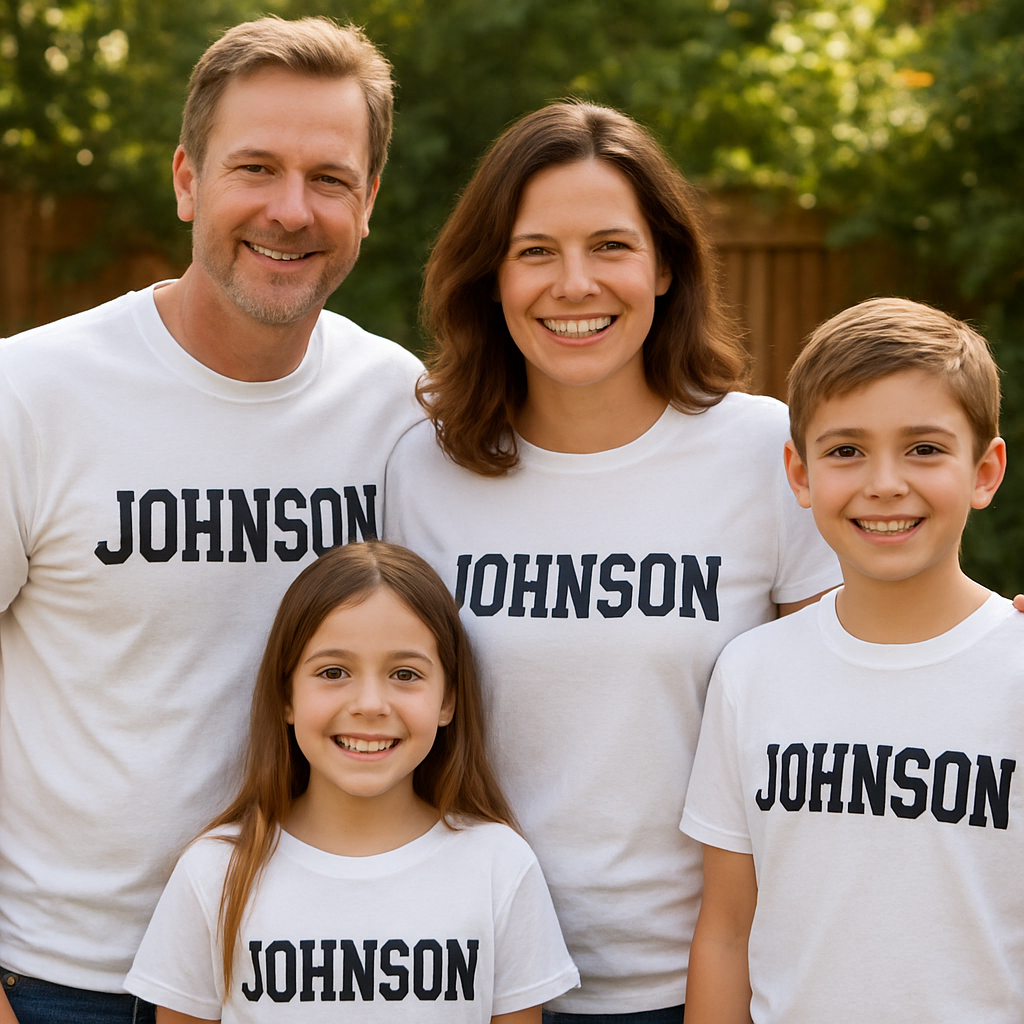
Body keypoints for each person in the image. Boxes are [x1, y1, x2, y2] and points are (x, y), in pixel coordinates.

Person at [0, 17, 423, 1023]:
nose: (290, 209)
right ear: (187, 180)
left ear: (367, 203)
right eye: (255, 168)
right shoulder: (31, 394)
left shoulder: (398, 405)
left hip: (314, 975)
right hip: (71, 979)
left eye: (329, 178)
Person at [384, 101, 841, 1022]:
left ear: (665, 265)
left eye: (611, 246)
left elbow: (855, 689)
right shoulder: (423, 468)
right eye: (536, 250)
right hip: (476, 980)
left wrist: (991, 650)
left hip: (710, 986)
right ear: (493, 275)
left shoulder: (763, 455)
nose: (575, 283)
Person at [682, 297, 1022, 1023]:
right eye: (846, 451)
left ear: (986, 471)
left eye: (925, 448)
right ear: (799, 476)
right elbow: (726, 930)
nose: (885, 483)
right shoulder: (751, 674)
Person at [125, 541, 580, 1022]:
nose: (370, 703)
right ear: (286, 695)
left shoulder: (500, 865)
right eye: (334, 671)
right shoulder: (214, 872)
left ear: (448, 700)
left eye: (405, 674)